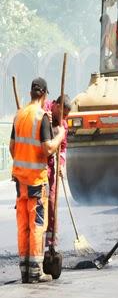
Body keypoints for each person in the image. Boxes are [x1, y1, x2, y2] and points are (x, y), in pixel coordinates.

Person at [9, 77, 65, 284]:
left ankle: (25, 269)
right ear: (44, 95)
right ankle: (35, 270)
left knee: (22, 224)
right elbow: (47, 148)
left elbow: (12, 148)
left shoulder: (19, 115)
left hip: (20, 181)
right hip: (36, 181)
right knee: (37, 225)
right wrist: (60, 135)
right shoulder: (41, 117)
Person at [44, 94, 71, 248]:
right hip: (38, 164)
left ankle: (51, 240)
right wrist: (43, 117)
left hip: (50, 167)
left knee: (52, 202)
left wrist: (60, 163)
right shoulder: (44, 108)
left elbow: (63, 148)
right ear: (58, 106)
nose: (65, 118)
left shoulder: (63, 125)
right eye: (64, 114)